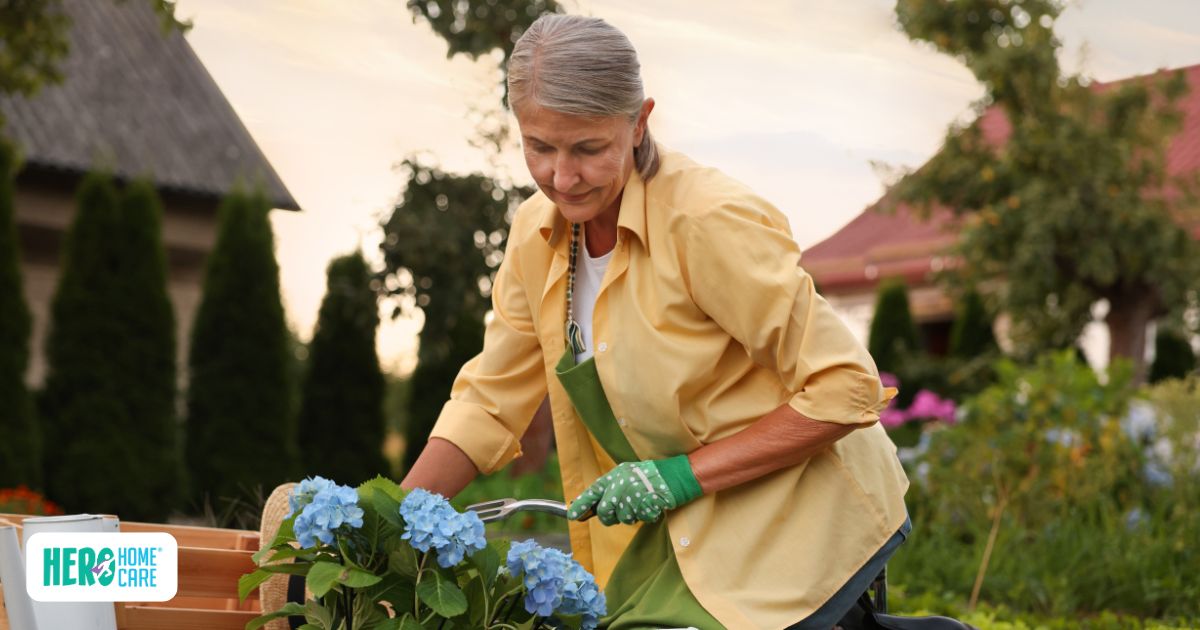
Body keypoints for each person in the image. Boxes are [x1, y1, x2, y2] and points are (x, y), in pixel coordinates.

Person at [401, 14, 910, 630]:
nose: (562, 177)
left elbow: (847, 386)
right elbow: (489, 403)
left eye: (588, 149)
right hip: (687, 524)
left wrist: (678, 478)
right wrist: (388, 525)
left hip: (800, 513)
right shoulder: (535, 235)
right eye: (540, 147)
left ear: (639, 122)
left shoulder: (704, 220)